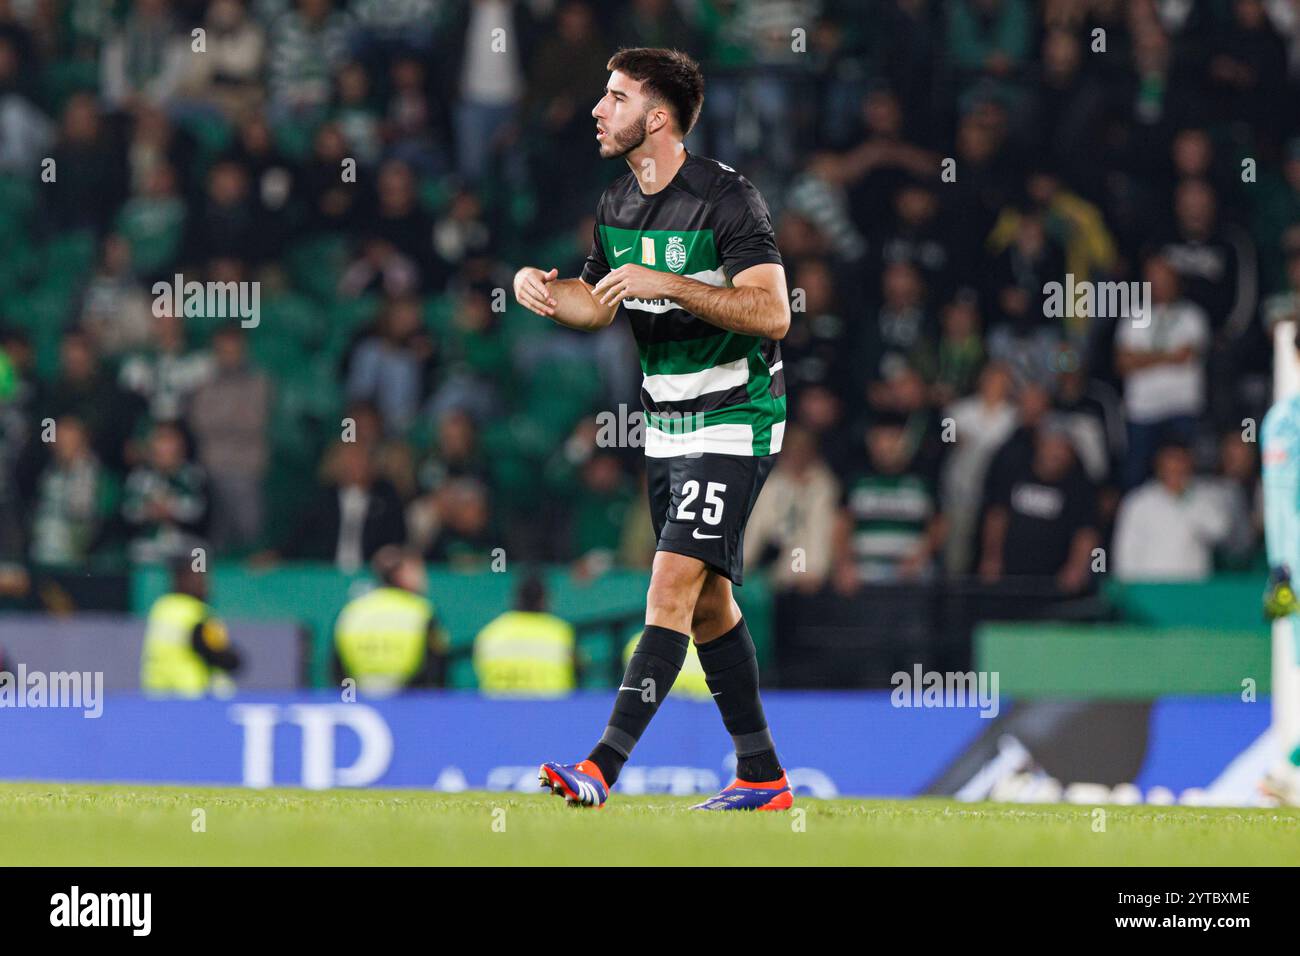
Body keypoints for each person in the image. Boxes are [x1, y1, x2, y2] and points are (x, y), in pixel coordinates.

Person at [513, 48, 792, 811]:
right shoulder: (617, 205)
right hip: (664, 427)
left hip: (735, 417)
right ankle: (763, 775)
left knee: (668, 588)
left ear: (657, 117)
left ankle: (599, 767)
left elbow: (773, 312)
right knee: (707, 607)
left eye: (615, 97)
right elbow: (598, 305)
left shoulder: (728, 199)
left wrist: (669, 283)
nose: (599, 109)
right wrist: (541, 289)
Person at [332, 546, 446, 693]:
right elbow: (436, 668)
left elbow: (337, 669)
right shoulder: (421, 611)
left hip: (360, 698)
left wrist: (349, 701)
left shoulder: (351, 611)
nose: (422, 578)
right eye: (416, 571)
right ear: (400, 575)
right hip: (411, 702)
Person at [140, 556, 241, 696]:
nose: (205, 584)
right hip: (191, 695)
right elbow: (218, 654)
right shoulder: (199, 613)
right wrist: (235, 660)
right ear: (181, 580)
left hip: (156, 694)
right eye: (198, 578)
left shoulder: (161, 607)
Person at [473, 574, 576, 696]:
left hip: (499, 710)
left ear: (514, 598)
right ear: (545, 599)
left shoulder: (490, 633)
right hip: (551, 711)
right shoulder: (561, 632)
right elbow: (577, 669)